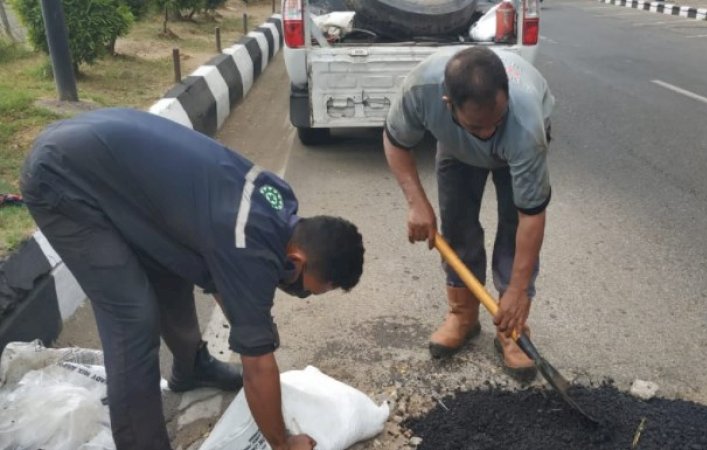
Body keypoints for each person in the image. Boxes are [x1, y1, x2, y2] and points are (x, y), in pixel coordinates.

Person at [20, 108, 365, 450]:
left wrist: (250, 325)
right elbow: (258, 368)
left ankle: (191, 368)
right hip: (63, 178)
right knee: (132, 317)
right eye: (307, 291)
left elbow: (223, 274)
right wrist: (283, 443)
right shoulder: (247, 244)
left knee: (172, 267)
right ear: (296, 261)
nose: (301, 295)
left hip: (100, 150)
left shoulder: (278, 200)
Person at [383, 46, 554, 380]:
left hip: (516, 151)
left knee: (511, 229)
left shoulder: (524, 124)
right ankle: (463, 316)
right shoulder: (421, 91)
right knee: (458, 226)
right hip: (455, 148)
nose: (488, 134)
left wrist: (518, 290)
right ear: (448, 103)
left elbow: (530, 217)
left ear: (505, 97)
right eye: (478, 127)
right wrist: (417, 202)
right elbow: (395, 141)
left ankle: (512, 328)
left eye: (496, 121)